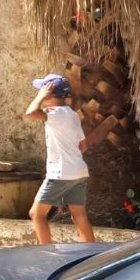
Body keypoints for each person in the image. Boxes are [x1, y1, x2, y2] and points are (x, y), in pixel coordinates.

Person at [23, 74, 95, 244]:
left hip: (61, 174)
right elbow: (82, 145)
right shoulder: (71, 114)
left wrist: (39, 98)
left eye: (43, 89)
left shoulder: (56, 115)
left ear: (49, 94)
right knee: (79, 216)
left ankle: (46, 253)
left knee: (36, 214)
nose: (40, 92)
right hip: (79, 172)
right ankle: (92, 253)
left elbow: (30, 114)